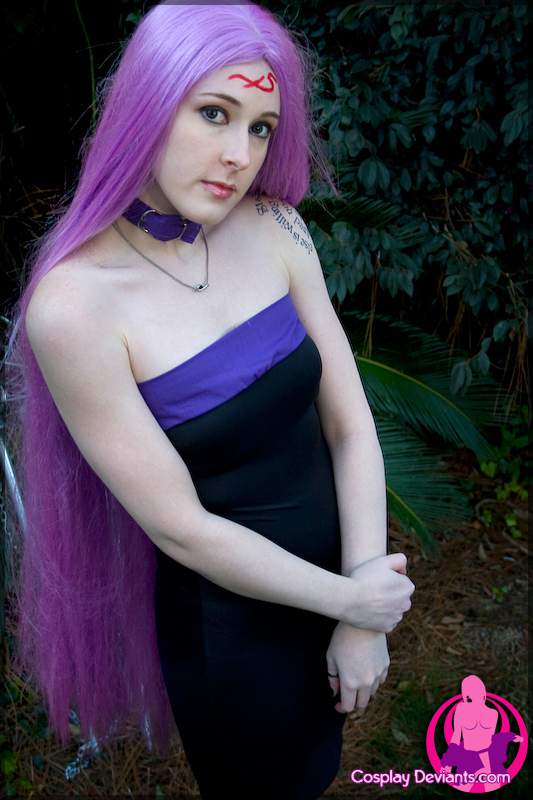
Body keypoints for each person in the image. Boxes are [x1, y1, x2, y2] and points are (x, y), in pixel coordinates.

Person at [4, 3, 415, 798]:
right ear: (148, 104)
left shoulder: (274, 226)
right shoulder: (76, 306)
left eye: (260, 128)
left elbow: (348, 424)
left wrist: (358, 606)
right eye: (214, 114)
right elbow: (181, 529)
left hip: (340, 590)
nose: (238, 154)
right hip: (233, 638)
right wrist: (354, 602)